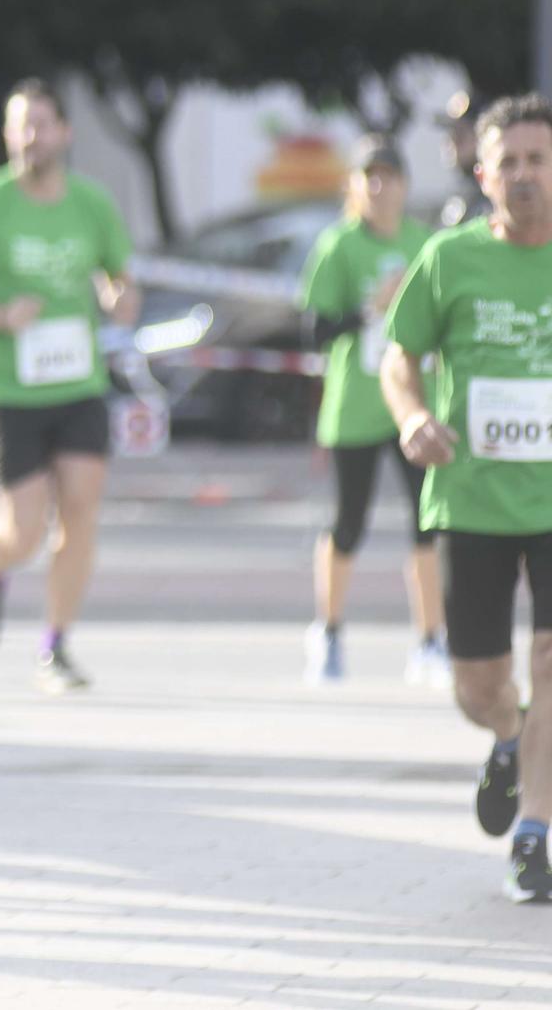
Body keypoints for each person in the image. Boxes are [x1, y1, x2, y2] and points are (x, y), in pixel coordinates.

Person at [382, 93, 552, 904]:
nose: (523, 175)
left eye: (537, 159)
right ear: (483, 174)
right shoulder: (449, 258)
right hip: (472, 497)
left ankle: (536, 833)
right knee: (477, 687)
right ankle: (511, 736)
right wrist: (413, 415)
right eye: (508, 162)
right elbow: (397, 357)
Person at [0, 78, 139, 692]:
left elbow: (120, 281)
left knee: (81, 513)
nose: (30, 137)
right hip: (9, 389)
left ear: (65, 133)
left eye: (41, 124)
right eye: (20, 125)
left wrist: (119, 298)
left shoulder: (92, 204)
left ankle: (56, 646)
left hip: (78, 383)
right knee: (22, 531)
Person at [296, 134, 443, 686]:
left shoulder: (424, 243)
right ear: (353, 187)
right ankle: (328, 631)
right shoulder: (338, 245)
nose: (379, 187)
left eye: (389, 176)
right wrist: (370, 309)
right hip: (354, 408)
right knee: (348, 524)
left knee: (428, 522)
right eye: (368, 177)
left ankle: (431, 638)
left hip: (413, 405)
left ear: (405, 185)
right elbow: (314, 329)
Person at [437, 91, 494, 229]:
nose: (452, 141)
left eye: (461, 133)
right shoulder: (462, 193)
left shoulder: (495, 195)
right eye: (451, 133)